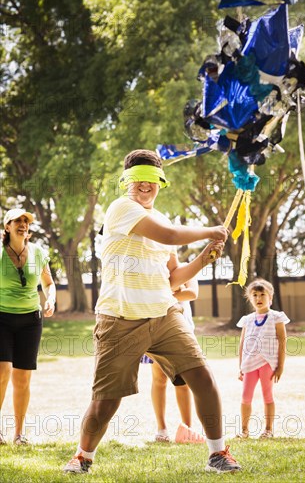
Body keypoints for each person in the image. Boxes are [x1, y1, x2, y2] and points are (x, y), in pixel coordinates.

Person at [64, 149, 241, 474]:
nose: (145, 186)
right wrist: (210, 230)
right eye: (137, 180)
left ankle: (218, 454)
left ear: (161, 183)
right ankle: (82, 456)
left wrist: (202, 258)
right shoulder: (120, 209)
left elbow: (174, 277)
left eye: (151, 181)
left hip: (164, 314)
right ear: (125, 182)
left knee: (202, 377)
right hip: (120, 317)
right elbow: (171, 236)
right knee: (107, 399)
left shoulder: (162, 219)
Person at [0, 208, 56, 445]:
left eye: (26, 221)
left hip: (30, 321)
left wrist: (50, 298)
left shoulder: (38, 252)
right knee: (2, 372)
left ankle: (19, 433)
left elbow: (49, 283)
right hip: (1, 317)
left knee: (22, 378)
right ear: (7, 227)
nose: (23, 224)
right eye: (17, 221)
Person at [150, 273, 205, 444]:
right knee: (159, 380)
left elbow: (192, 293)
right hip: (156, 330)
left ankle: (186, 428)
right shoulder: (154, 268)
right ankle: (162, 428)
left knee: (183, 382)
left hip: (181, 331)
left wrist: (162, 294)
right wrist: (171, 292)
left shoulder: (184, 269)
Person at [236, 278, 289, 439]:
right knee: (246, 397)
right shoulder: (247, 319)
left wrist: (280, 366)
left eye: (262, 294)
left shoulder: (276, 317)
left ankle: (268, 429)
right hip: (250, 364)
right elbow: (242, 344)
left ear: (270, 298)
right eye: (255, 295)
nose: (259, 298)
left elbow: (282, 341)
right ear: (250, 299)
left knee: (267, 395)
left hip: (268, 363)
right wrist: (240, 367)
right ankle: (244, 430)